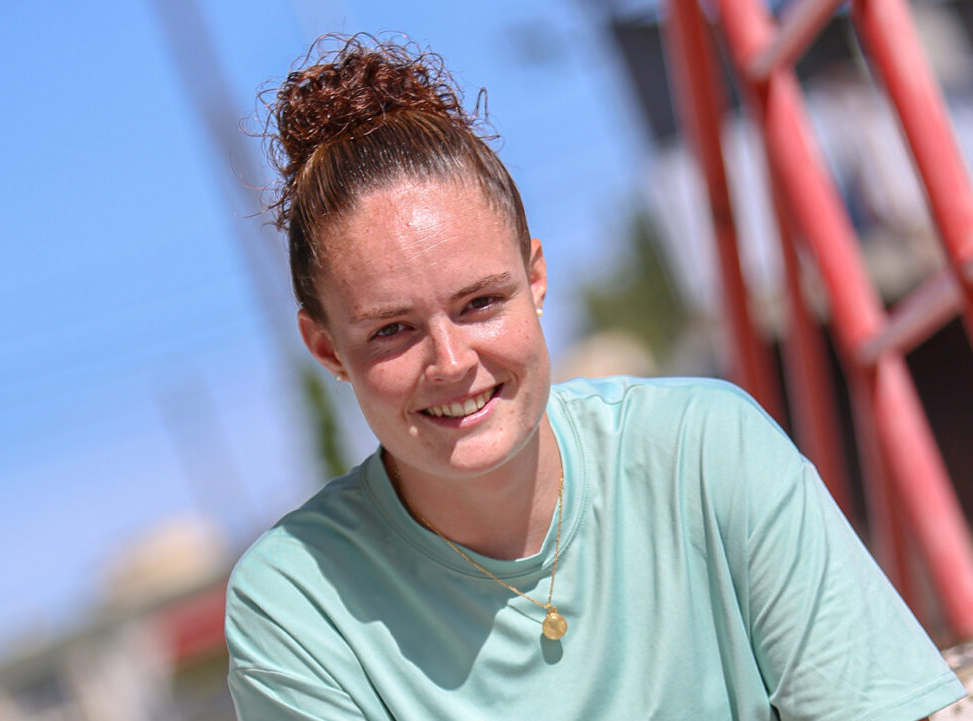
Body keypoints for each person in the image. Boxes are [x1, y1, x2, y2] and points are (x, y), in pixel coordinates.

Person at [224, 34, 965, 720]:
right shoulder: (298, 604)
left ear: (536, 277)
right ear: (325, 349)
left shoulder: (705, 452)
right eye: (392, 329)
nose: (451, 362)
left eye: (479, 303)